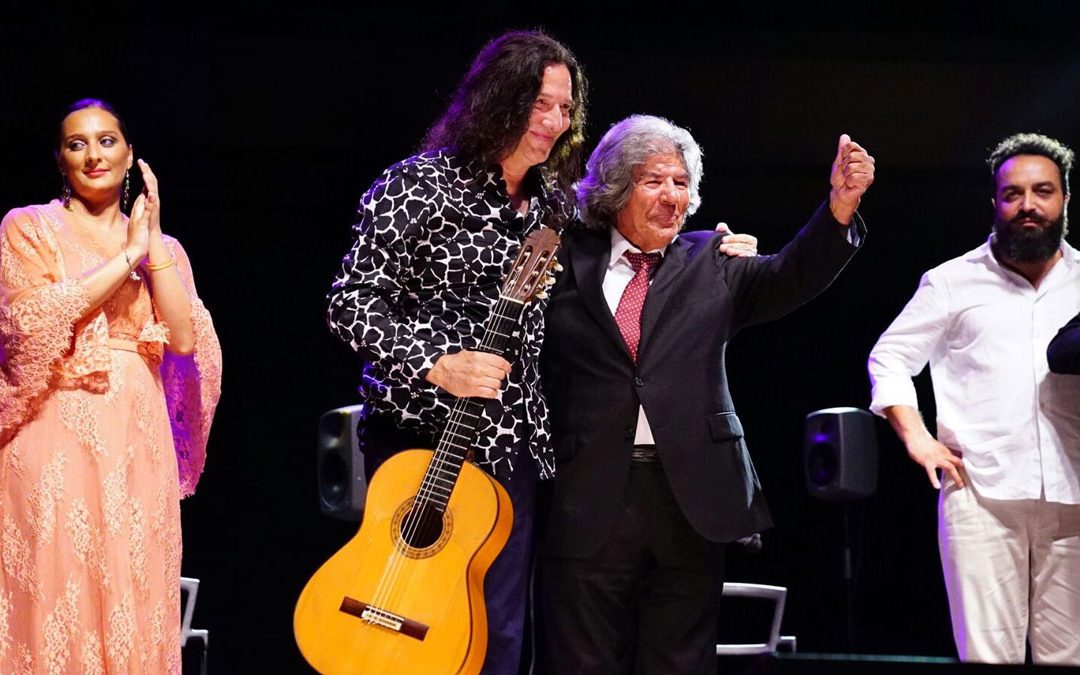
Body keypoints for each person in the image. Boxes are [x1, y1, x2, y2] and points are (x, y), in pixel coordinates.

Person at [537, 114, 872, 674]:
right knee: (580, 661)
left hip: (690, 496)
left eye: (681, 183)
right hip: (587, 494)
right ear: (616, 188)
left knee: (680, 662)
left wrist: (839, 207)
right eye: (654, 181)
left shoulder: (712, 260)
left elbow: (792, 275)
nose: (672, 196)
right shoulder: (563, 260)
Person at [0, 99, 222, 673]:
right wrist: (127, 257)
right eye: (78, 144)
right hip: (55, 430)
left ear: (129, 155)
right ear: (60, 160)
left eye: (106, 141)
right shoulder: (28, 226)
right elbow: (33, 321)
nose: (93, 154)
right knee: (57, 581)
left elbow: (182, 340)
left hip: (135, 436)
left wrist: (152, 251)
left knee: (133, 578)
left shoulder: (163, 249)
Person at [868, 132, 1080, 664]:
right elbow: (889, 358)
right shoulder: (951, 282)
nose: (1027, 205)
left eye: (1042, 191)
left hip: (1076, 497)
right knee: (988, 658)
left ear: (1065, 200)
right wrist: (917, 438)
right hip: (981, 497)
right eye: (1013, 194)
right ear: (995, 203)